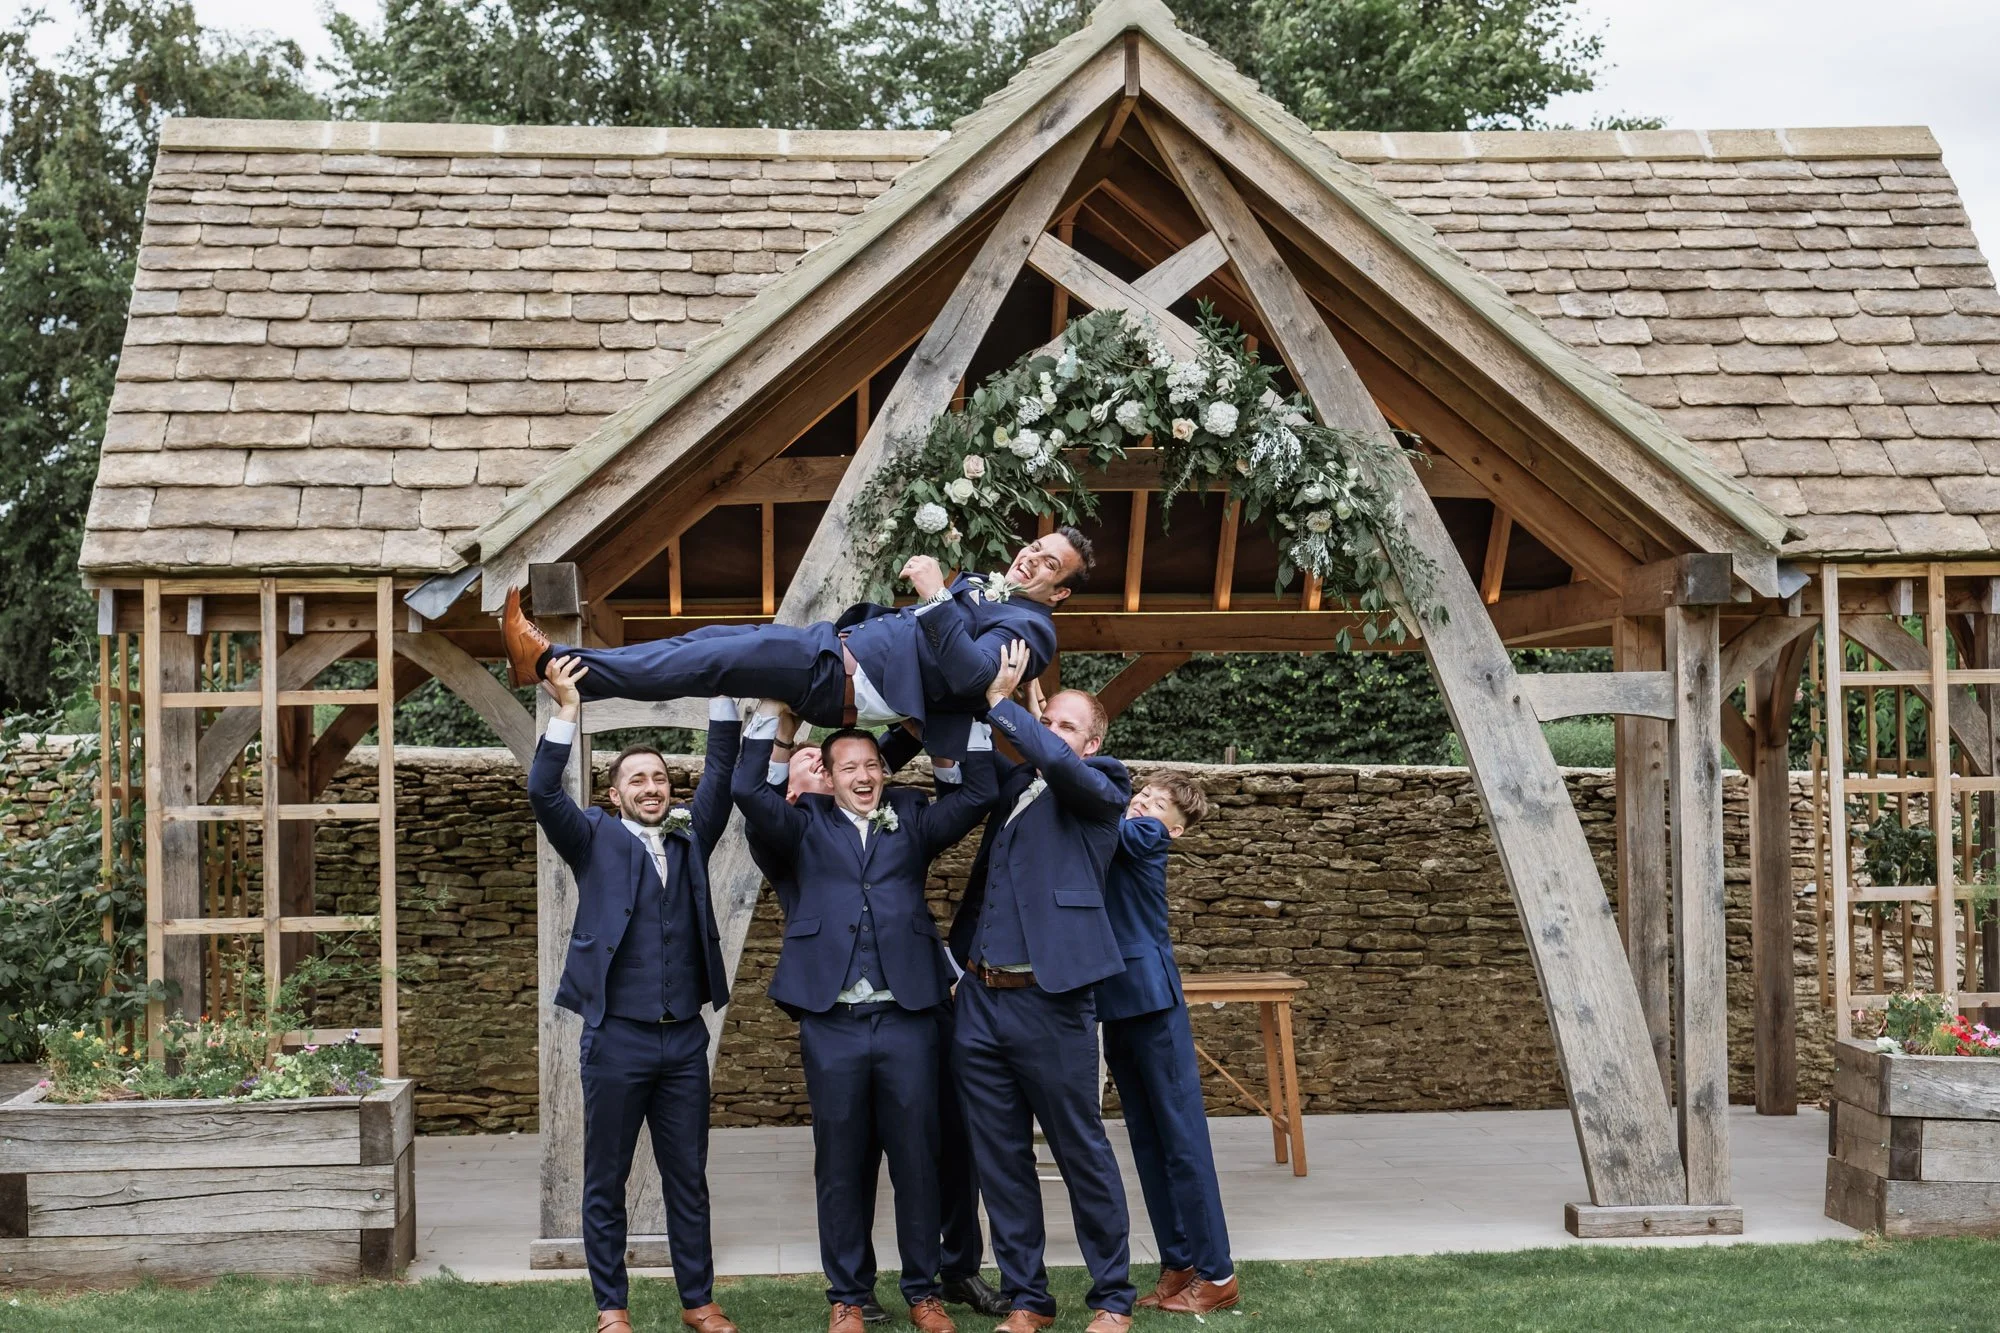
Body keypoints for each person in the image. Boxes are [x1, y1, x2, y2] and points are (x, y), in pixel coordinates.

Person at [732, 651, 1014, 1333]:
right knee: (840, 1162)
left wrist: (973, 710)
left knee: (917, 1157)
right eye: (848, 767)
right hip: (831, 1020)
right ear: (828, 778)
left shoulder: (911, 817)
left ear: (884, 771)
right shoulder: (801, 826)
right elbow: (747, 789)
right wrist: (780, 720)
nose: (862, 776)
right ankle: (848, 1296)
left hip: (908, 1016)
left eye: (871, 765)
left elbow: (979, 792)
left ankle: (923, 1292)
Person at [529, 656, 741, 1333]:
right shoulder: (591, 837)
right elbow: (543, 791)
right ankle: (611, 1308)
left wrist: (722, 692)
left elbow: (722, 775)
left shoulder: (691, 836)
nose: (652, 788)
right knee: (606, 1179)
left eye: (659, 778)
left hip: (683, 1041)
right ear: (614, 793)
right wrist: (567, 711)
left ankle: (698, 1302)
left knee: (689, 1179)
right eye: (637, 780)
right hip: (615, 1038)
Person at [501, 534, 1094, 759]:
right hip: (835, 649)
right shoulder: (995, 589)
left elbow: (973, 677)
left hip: (844, 680)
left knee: (711, 660)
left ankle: (549, 662)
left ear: (1061, 592)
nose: (1031, 559)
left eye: (1049, 564)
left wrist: (938, 596)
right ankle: (567, 672)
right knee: (708, 643)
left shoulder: (1034, 629)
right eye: (1035, 548)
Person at [949, 672, 1136, 1333]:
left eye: (1066, 725)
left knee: (1081, 1150)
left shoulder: (1104, 785)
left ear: (1092, 744)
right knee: (1001, 1159)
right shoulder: (1017, 788)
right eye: (1047, 719)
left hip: (1053, 1001)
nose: (1052, 732)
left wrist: (1005, 705)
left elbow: (1053, 760)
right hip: (981, 1000)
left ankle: (1113, 1298)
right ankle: (1028, 1297)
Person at [1099, 774, 1238, 1316]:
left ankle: (1218, 1273)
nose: (1142, 804)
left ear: (1175, 830)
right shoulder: (1121, 830)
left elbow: (1104, 821)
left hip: (1154, 1006)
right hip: (1116, 1007)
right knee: (1148, 1142)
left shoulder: (1147, 835)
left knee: (1183, 1142)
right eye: (1143, 796)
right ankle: (1180, 1263)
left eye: (1157, 805)